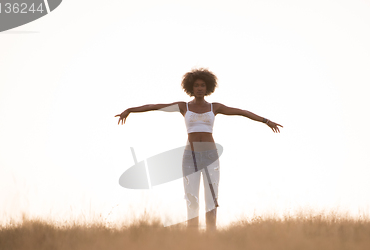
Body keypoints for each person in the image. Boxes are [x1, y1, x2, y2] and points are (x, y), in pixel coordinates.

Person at [115, 68, 283, 231]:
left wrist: (266, 121)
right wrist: (129, 110)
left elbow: (241, 112)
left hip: (210, 156)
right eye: (196, 85)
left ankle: (211, 232)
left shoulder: (214, 107)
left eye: (203, 85)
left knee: (211, 197)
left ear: (207, 88)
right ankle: (192, 235)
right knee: (191, 198)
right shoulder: (183, 107)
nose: (200, 88)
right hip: (190, 157)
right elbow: (155, 106)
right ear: (191, 88)